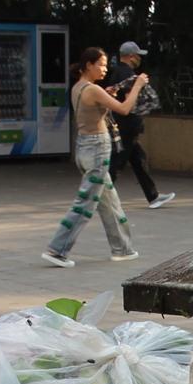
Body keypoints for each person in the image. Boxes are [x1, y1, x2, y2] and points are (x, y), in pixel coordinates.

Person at [44, 46, 144, 268]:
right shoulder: (92, 89)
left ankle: (123, 249)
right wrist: (137, 86)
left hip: (84, 147)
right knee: (86, 202)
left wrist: (106, 95)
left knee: (109, 201)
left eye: (106, 65)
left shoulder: (80, 88)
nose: (104, 69)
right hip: (97, 150)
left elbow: (93, 111)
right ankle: (57, 249)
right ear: (88, 65)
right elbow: (125, 109)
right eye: (101, 64)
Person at [105, 40, 175, 210]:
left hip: (124, 123)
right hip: (127, 124)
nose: (139, 59)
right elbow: (131, 99)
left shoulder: (118, 71)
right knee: (117, 162)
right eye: (137, 55)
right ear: (130, 56)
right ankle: (99, 195)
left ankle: (153, 197)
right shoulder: (127, 73)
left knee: (138, 159)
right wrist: (140, 86)